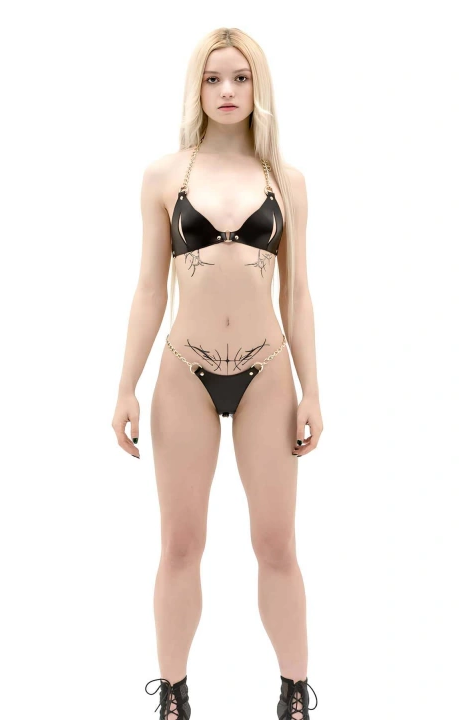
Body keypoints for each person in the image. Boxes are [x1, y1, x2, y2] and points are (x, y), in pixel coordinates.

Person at [112, 27, 323, 720]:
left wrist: (312, 391)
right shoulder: (164, 177)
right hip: (184, 375)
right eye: (213, 79)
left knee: (277, 545)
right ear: (196, 89)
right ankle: (173, 698)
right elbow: (150, 288)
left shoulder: (286, 182)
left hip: (267, 374)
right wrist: (125, 387)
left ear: (258, 86)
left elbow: (298, 294)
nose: (227, 91)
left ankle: (295, 696)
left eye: (240, 77)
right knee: (180, 545)